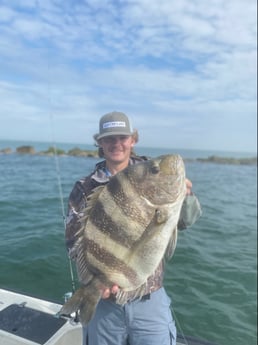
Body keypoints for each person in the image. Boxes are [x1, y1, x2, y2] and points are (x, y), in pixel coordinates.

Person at [65, 111, 202, 345]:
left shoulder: (151, 176)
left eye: (122, 137)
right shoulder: (84, 187)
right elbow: (72, 242)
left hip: (150, 298)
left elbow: (185, 222)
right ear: (100, 143)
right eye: (109, 138)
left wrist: (185, 198)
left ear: (133, 140)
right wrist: (96, 282)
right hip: (105, 303)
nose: (116, 144)